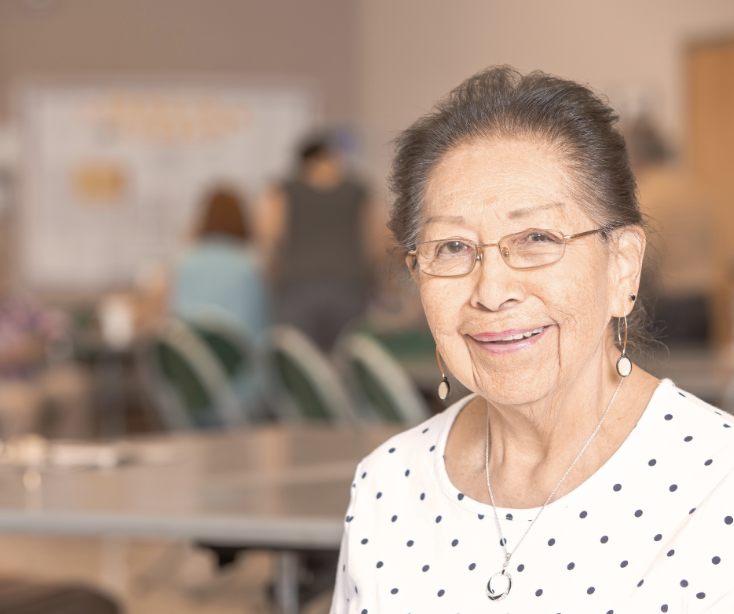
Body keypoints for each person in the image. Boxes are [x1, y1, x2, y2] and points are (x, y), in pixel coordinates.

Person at [330, 67, 734, 613]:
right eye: (451, 247)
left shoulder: (717, 484)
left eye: (537, 238)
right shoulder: (385, 487)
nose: (492, 292)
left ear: (622, 266)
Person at [259, 138, 381, 350]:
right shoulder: (358, 190)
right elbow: (375, 241)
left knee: (301, 362)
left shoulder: (284, 190)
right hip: (349, 286)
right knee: (348, 359)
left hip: (300, 286)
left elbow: (270, 235)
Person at [171, 187, 270, 339]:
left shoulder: (185, 262)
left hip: (193, 355)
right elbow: (263, 325)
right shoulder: (253, 265)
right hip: (241, 356)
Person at [0, 292, 92, 439]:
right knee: (20, 405)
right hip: (5, 383)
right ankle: (20, 458)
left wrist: (41, 340)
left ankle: (69, 454)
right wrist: (12, 355)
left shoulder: (16, 302)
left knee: (72, 385)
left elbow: (56, 324)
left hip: (34, 375)